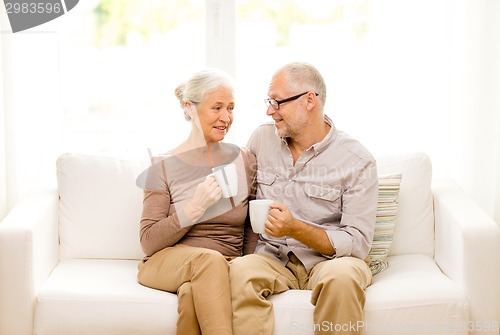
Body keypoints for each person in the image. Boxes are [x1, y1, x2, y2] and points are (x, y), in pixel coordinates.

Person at [229, 62, 378, 335]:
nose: (269, 111)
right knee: (236, 272)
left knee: (343, 279)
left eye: (277, 102)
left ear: (309, 100)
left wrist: (295, 228)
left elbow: (357, 243)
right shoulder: (262, 139)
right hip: (273, 257)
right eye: (268, 101)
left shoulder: (357, 161)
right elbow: (239, 199)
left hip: (330, 262)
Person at [136, 68, 257, 335]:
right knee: (208, 261)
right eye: (217, 108)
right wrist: (195, 207)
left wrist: (247, 266)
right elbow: (148, 241)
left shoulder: (245, 160)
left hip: (220, 265)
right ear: (190, 108)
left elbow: (251, 228)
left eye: (231, 108)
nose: (226, 117)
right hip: (168, 261)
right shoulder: (163, 166)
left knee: (192, 294)